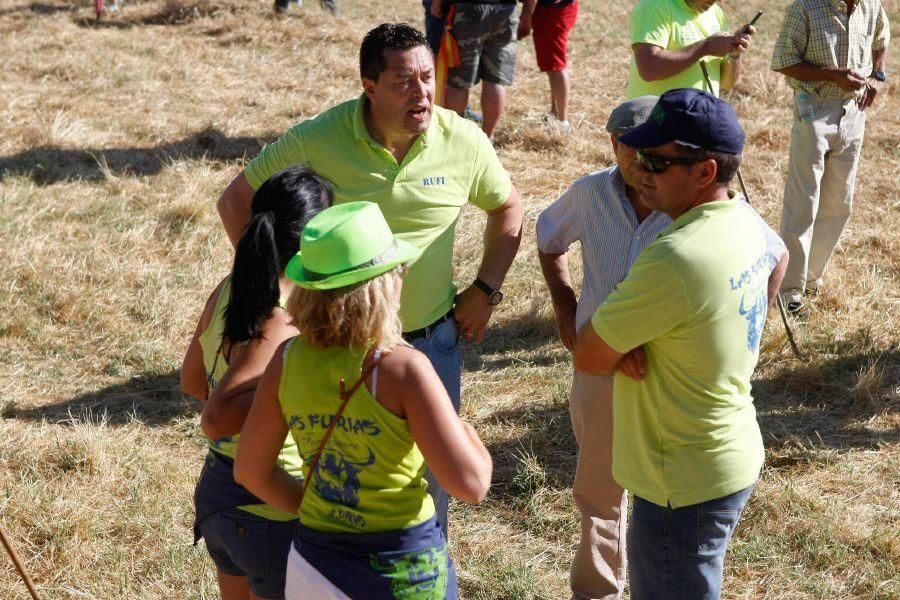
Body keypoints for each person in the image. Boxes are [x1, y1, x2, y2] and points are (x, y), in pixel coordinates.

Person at [216, 22, 522, 538]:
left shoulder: (463, 140)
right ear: (370, 86)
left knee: (430, 485)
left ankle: (417, 566)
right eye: (404, 81)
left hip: (428, 342)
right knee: (341, 477)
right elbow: (236, 202)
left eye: (428, 76)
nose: (422, 92)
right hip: (334, 346)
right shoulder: (320, 137)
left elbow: (508, 207)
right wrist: (284, 295)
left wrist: (485, 290)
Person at [538, 96, 786, 600]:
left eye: (657, 161)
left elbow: (589, 354)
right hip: (717, 453)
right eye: (636, 155)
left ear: (705, 171)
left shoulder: (675, 255)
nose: (640, 170)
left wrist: (617, 340)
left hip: (678, 475)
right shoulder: (735, 221)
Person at [234, 201, 493, 599]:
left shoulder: (285, 361)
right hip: (403, 573)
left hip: (313, 569)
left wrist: (316, 509)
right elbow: (472, 484)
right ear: (383, 282)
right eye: (399, 269)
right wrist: (468, 431)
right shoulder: (403, 368)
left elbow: (250, 471)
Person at [181, 167, 333, 600]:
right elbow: (219, 415)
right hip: (270, 502)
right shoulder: (283, 317)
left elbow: (193, 379)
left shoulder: (229, 287)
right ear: (313, 239)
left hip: (217, 493)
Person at [771, 0, 890, 315]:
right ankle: (789, 291)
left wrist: (877, 75)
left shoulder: (871, 5)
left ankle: (811, 278)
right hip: (814, 108)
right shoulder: (806, 8)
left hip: (854, 111)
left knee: (840, 200)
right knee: (803, 198)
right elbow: (783, 60)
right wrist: (831, 75)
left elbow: (881, 39)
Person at [431, 0, 537, 139]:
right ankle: (488, 137)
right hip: (505, 11)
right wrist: (527, 15)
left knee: (459, 82)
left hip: (470, 11)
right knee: (495, 80)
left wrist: (437, 3)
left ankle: (454, 137)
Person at [627, 0, 756, 99]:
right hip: (655, 123)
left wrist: (734, 53)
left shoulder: (716, 14)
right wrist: (705, 47)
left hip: (699, 124)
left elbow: (726, 84)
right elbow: (649, 69)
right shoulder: (654, 6)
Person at [518, 0, 579, 134]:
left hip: (554, 9)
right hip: (549, 8)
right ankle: (555, 113)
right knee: (552, 65)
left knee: (556, 65)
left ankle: (562, 122)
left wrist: (525, 18)